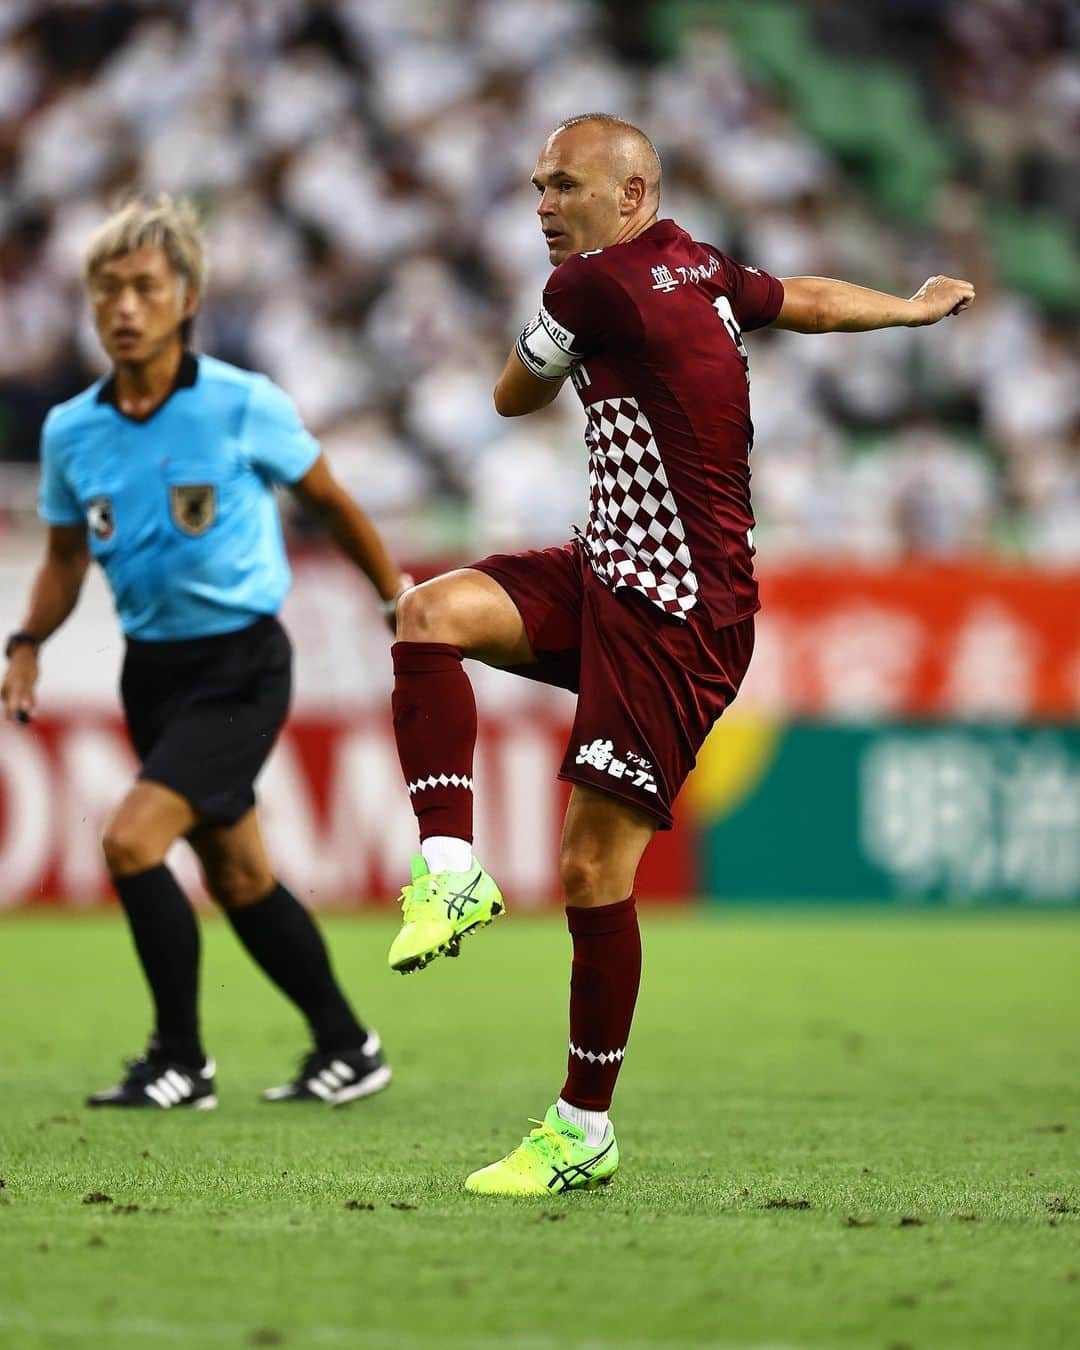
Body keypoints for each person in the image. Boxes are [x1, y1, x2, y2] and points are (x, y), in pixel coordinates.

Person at [384, 113, 975, 1194]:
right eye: (536, 186)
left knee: (589, 870)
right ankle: (450, 871)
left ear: (633, 194)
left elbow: (508, 398)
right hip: (607, 567)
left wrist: (543, 350)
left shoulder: (591, 291)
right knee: (429, 616)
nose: (543, 206)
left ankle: (582, 1128)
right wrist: (910, 310)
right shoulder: (694, 263)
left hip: (683, 613)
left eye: (565, 186)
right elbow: (803, 300)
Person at [1, 195, 411, 1111]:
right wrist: (28, 640)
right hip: (152, 671)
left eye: (145, 287)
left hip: (241, 664)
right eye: (108, 289)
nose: (124, 307)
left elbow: (334, 503)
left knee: (131, 840)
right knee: (239, 876)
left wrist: (393, 595)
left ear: (186, 299)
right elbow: (68, 558)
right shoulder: (73, 430)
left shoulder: (240, 405)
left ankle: (179, 1060)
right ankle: (348, 1046)